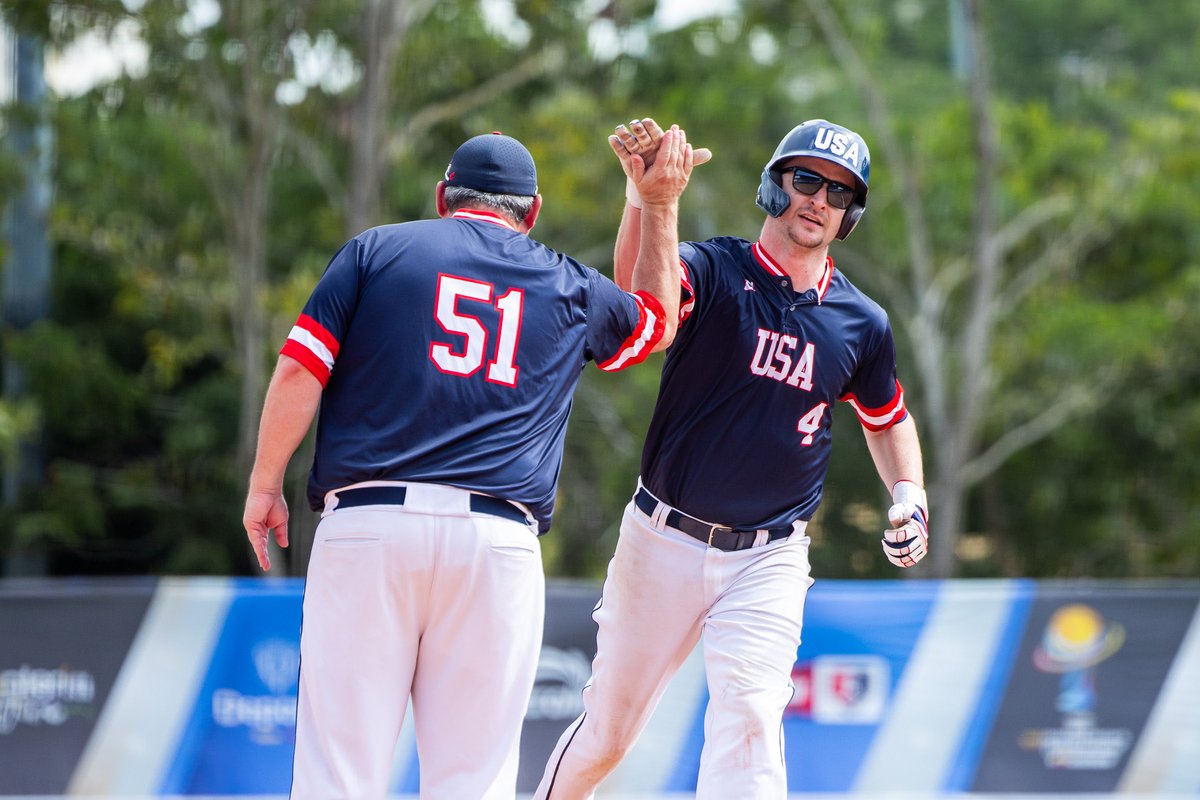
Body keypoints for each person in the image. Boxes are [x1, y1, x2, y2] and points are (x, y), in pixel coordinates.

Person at [242, 127, 698, 799]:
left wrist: (263, 484)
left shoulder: (376, 251)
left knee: (338, 776)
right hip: (495, 544)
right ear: (532, 210)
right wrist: (652, 200)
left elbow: (299, 370)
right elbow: (657, 323)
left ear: (442, 197)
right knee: (472, 782)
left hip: (369, 527)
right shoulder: (566, 280)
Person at [533, 117, 929, 800]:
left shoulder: (861, 322)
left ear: (850, 215)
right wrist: (649, 202)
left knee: (749, 725)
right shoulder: (715, 268)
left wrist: (910, 493)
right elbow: (642, 304)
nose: (819, 199)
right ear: (775, 185)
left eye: (838, 192)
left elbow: (887, 417)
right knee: (608, 736)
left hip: (769, 555)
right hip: (664, 536)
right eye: (807, 179)